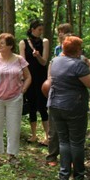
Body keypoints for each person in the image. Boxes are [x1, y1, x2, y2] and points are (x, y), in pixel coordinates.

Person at [47, 36, 90, 180]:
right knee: (76, 142)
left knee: (63, 140)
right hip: (74, 106)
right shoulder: (78, 65)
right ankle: (79, 174)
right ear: (77, 50)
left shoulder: (55, 61)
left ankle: (64, 174)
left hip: (55, 104)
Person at [0, 33, 32, 166]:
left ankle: (12, 156)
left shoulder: (20, 60)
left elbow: (28, 77)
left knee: (14, 127)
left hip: (14, 98)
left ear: (10, 45)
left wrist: (23, 90)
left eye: (2, 43)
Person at [20, 19, 51, 150]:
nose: (41, 32)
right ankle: (33, 135)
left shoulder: (45, 42)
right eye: (39, 29)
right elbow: (22, 62)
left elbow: (44, 62)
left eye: (42, 30)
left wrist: (38, 56)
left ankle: (47, 136)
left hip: (41, 77)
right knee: (32, 105)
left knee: (43, 106)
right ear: (32, 29)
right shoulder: (23, 42)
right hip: (29, 77)